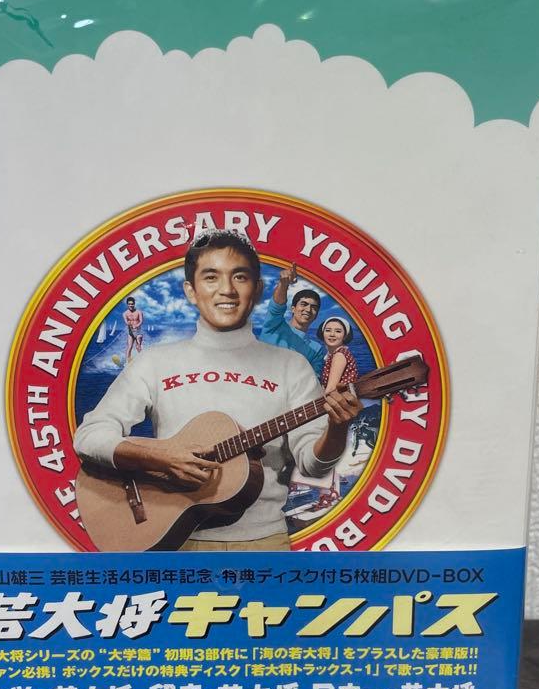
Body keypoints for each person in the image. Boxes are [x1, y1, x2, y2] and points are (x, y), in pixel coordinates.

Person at [73, 230, 362, 550]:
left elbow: (312, 464)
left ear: (258, 289)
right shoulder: (154, 361)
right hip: (173, 543)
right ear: (191, 290)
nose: (227, 289)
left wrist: (338, 427)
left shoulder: (292, 366)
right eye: (211, 277)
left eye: (240, 277)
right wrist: (156, 457)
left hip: (264, 544)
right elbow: (89, 436)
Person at [259, 263, 326, 377]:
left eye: (314, 307)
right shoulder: (275, 325)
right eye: (304, 304)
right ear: (293, 309)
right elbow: (276, 307)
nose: (308, 309)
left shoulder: (317, 350)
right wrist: (283, 284)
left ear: (316, 315)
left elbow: (313, 379)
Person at [317, 316, 359, 392]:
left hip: (341, 398)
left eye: (338, 331)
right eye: (328, 330)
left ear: (345, 336)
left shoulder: (339, 355)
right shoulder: (334, 354)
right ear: (323, 333)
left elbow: (331, 389)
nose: (332, 334)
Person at [123, 296, 144, 360]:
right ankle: (128, 361)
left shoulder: (139, 312)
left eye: (132, 304)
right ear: (127, 304)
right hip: (130, 332)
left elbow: (141, 321)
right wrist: (128, 323)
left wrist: (137, 325)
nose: (131, 305)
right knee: (129, 347)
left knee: (138, 347)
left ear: (134, 304)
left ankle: (142, 359)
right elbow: (126, 321)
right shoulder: (125, 313)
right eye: (129, 304)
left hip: (138, 331)